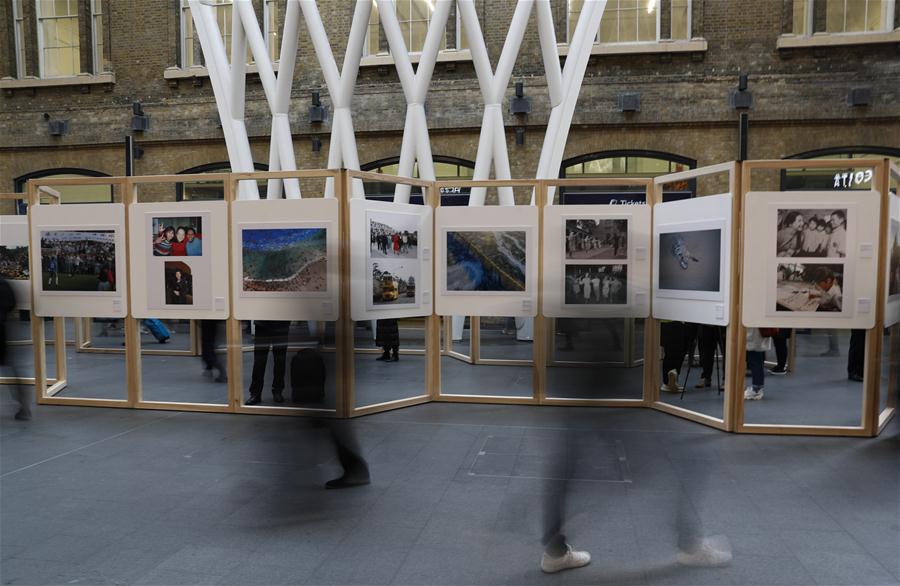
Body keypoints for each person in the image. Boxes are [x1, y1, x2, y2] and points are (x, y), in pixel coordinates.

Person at [0, 277, 30, 420]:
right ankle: (23, 404)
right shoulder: (4, 283)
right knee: (11, 367)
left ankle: (23, 405)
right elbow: (12, 304)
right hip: (2, 329)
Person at [246, 320, 291, 405]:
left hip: (281, 323)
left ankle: (277, 391)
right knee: (259, 361)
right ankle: (256, 393)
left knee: (279, 361)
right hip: (263, 322)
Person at [744, 328, 771, 400]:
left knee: (755, 360)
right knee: (756, 360)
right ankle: (757, 387)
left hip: (755, 332)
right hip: (755, 332)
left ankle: (757, 388)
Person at [660, 320, 687, 393]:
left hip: (669, 322)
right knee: (672, 354)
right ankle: (667, 383)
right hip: (673, 321)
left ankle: (671, 382)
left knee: (672, 353)